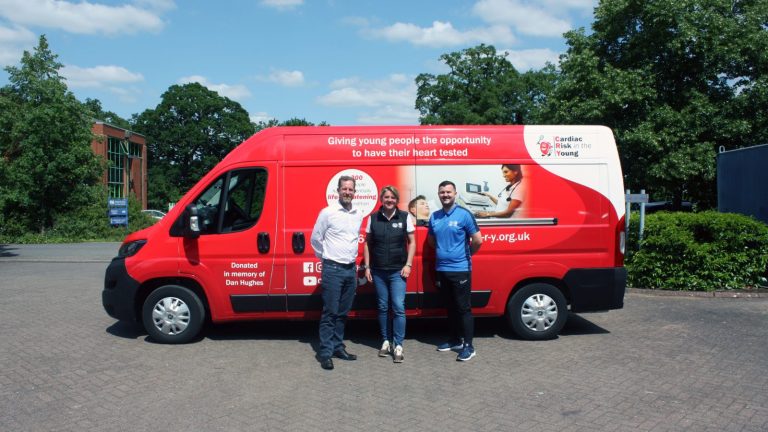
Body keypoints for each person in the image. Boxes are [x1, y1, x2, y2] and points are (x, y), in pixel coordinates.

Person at [310, 175, 365, 370]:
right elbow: (315, 239)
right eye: (344, 189)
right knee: (330, 313)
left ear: (354, 192)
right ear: (338, 191)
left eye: (350, 189)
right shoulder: (328, 212)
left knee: (342, 313)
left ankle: (337, 347)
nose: (347, 192)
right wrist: (326, 257)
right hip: (332, 269)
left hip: (350, 269)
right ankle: (326, 353)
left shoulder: (358, 213)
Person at [428, 180, 483, 361]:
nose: (445, 195)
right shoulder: (435, 216)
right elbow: (431, 241)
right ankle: (455, 340)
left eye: (448, 192)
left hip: (460, 269)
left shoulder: (464, 214)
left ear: (455, 194)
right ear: (439, 194)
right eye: (442, 192)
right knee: (450, 307)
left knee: (463, 308)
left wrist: (465, 255)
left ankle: (469, 346)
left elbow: (478, 240)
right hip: (441, 269)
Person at [363, 186, 416, 363]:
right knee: (383, 307)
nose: (389, 200)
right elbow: (367, 244)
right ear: (381, 199)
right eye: (386, 197)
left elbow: (412, 242)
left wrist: (408, 264)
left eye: (393, 197)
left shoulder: (404, 217)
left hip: (397, 271)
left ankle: (398, 344)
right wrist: (367, 267)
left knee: (398, 307)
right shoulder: (373, 218)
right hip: (378, 271)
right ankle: (386, 341)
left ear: (397, 200)